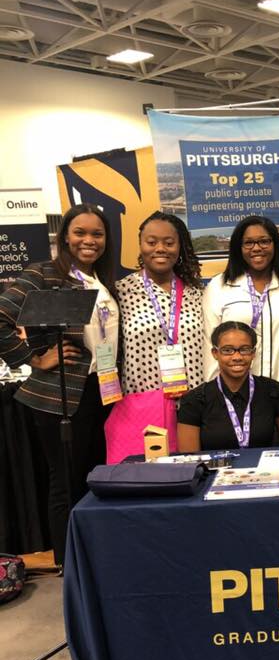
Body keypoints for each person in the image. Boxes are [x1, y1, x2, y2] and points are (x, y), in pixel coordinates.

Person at [0, 203, 118, 566]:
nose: (89, 240)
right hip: (61, 397)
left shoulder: (102, 279)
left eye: (96, 234)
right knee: (66, 483)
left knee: (92, 477)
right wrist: (32, 358)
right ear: (65, 236)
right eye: (80, 232)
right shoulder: (45, 274)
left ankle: (92, 557)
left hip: (103, 390)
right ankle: (69, 565)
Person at [203, 216, 279, 383]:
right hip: (232, 396)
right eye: (248, 243)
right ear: (239, 248)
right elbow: (210, 345)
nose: (257, 248)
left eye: (264, 241)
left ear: (275, 245)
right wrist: (215, 397)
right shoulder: (219, 287)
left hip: (277, 391)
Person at [116, 212, 204, 395]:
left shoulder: (198, 293)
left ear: (180, 247)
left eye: (169, 243)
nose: (161, 248)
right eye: (151, 242)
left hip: (195, 404)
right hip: (144, 405)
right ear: (140, 245)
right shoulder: (121, 292)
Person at [177, 321, 279, 451]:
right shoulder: (194, 400)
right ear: (215, 353)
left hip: (266, 471)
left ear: (253, 353)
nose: (237, 357)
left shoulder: (274, 391)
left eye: (244, 349)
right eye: (227, 350)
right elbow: (190, 460)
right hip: (214, 471)